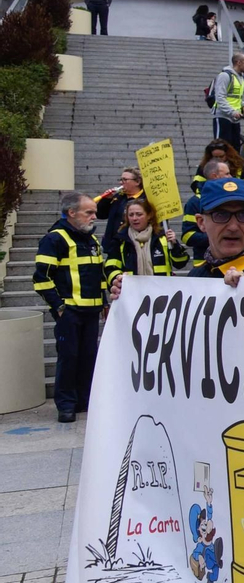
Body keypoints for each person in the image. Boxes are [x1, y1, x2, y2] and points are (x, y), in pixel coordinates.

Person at [32, 193, 106, 422]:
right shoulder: (55, 239)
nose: (94, 216)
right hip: (70, 311)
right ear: (71, 213)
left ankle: (84, 401)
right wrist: (59, 307)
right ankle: (66, 406)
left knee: (88, 357)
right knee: (69, 357)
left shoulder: (91, 240)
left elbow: (99, 275)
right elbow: (41, 279)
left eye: (94, 212)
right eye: (89, 212)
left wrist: (103, 302)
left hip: (91, 311)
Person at [186, 178, 244, 282]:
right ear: (201, 222)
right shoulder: (195, 278)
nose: (233, 227)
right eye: (221, 215)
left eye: (243, 215)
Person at [105, 195, 186, 279]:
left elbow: (180, 264)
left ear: (149, 215)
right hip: (133, 290)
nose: (134, 218)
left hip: (161, 290)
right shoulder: (120, 239)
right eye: (131, 215)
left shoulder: (162, 237)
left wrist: (175, 245)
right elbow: (111, 267)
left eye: (139, 214)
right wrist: (117, 278)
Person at [94, 167, 145, 255]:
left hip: (133, 245)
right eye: (121, 179)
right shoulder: (118, 196)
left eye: (125, 180)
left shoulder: (146, 199)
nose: (121, 182)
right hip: (113, 244)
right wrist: (106, 200)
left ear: (137, 182)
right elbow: (100, 215)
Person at [211, 51, 244, 150]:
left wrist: (243, 106)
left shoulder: (241, 77)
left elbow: (237, 97)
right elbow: (220, 97)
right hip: (223, 117)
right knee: (220, 147)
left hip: (234, 118)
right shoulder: (225, 76)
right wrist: (232, 112)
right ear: (239, 62)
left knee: (234, 149)